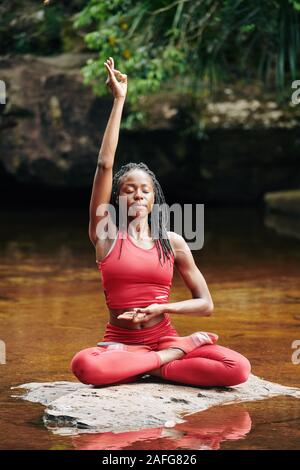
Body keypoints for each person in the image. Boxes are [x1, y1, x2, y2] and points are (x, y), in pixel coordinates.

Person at [70, 57, 251, 387]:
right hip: (121, 343)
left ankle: (148, 364)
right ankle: (162, 363)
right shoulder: (105, 235)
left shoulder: (174, 241)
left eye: (145, 190)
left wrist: (163, 308)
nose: (138, 196)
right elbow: (104, 165)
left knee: (237, 368)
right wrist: (119, 100)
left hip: (164, 336)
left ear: (154, 198)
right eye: (129, 190)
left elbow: (205, 304)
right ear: (118, 199)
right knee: (84, 366)